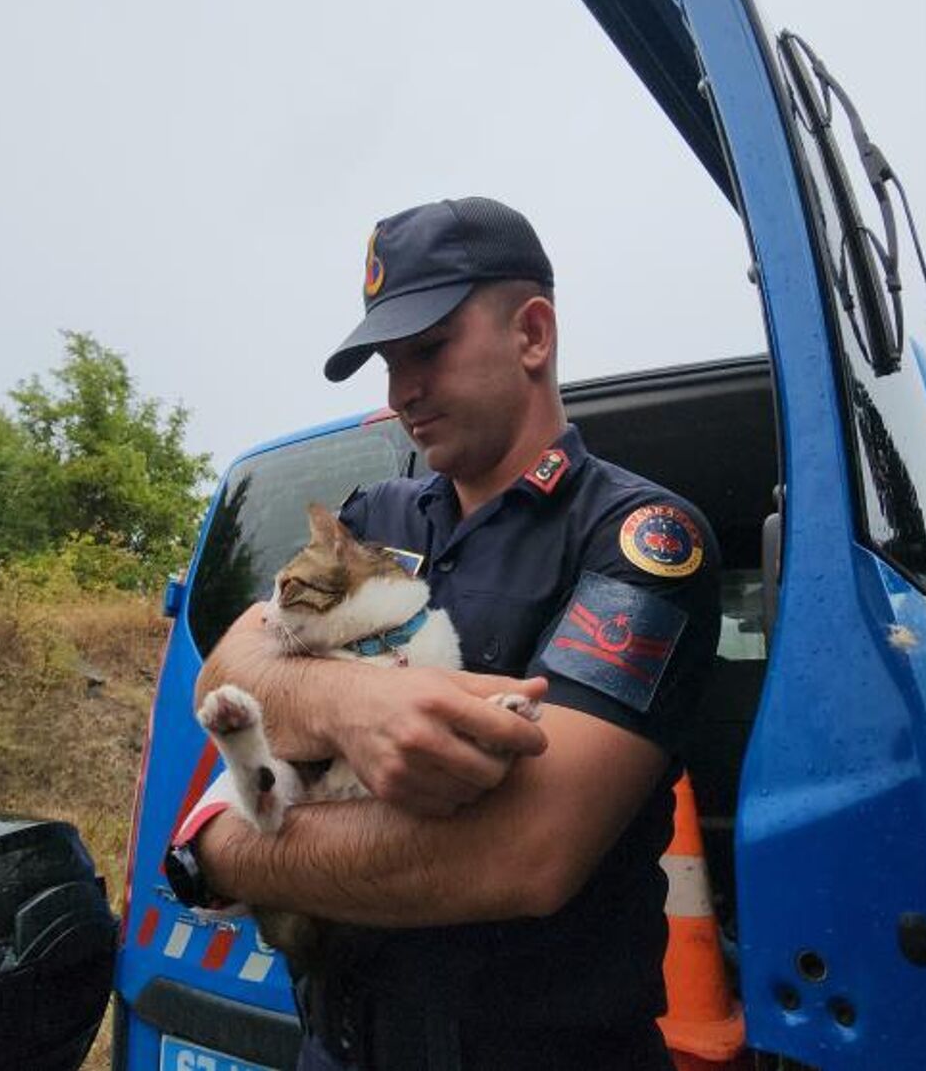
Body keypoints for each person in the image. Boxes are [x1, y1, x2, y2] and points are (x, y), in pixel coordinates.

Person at [169, 198, 721, 1070]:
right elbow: (229, 666)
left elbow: (524, 856)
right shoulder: (374, 512)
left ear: (531, 335)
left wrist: (221, 847)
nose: (400, 393)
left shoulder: (639, 540)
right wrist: (355, 706)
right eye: (389, 364)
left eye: (428, 350)